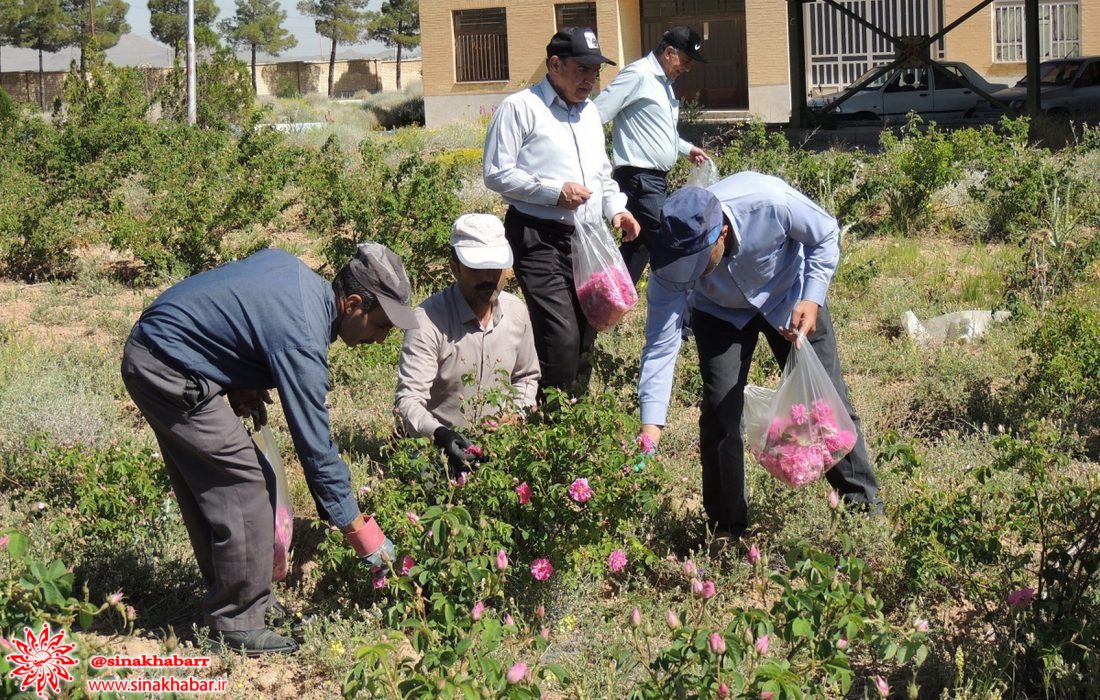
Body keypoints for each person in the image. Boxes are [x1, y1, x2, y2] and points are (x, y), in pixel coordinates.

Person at [121, 244, 418, 655]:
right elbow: (315, 447)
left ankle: (248, 599)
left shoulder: (301, 283)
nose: (380, 339)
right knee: (243, 484)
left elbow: (241, 310)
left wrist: (238, 375)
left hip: (163, 349)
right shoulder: (302, 333)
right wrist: (357, 529)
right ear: (352, 304)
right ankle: (236, 621)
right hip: (166, 366)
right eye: (381, 325)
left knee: (222, 482)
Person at [637, 173, 882, 549]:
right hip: (719, 314)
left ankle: (865, 511)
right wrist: (652, 424)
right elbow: (660, 343)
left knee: (827, 404)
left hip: (790, 298)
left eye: (699, 263)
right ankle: (726, 527)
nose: (689, 274)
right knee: (721, 411)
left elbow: (825, 234)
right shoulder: (673, 263)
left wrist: (812, 298)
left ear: (719, 233)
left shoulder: (767, 200)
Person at [483, 26, 641, 397]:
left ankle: (575, 414)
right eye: (582, 69)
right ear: (555, 64)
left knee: (588, 326)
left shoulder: (588, 114)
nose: (590, 79)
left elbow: (601, 172)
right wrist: (554, 193)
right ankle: (548, 421)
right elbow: (496, 173)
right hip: (539, 238)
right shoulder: (520, 108)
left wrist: (616, 209)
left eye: (595, 71)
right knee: (560, 335)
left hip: (587, 239)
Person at [395, 214, 540, 476]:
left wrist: (516, 415)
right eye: (477, 268)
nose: (488, 277)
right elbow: (408, 400)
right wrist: (440, 434)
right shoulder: (428, 320)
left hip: (499, 445)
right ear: (455, 268)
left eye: (495, 268)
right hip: (438, 449)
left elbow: (526, 376)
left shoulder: (516, 312)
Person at [594, 25, 710, 284]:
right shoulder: (638, 75)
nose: (687, 68)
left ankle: (607, 300)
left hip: (654, 180)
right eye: (686, 61)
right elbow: (595, 115)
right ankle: (683, 312)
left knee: (640, 245)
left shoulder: (665, 84)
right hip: (639, 178)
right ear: (669, 52)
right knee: (669, 240)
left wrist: (686, 149)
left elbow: (659, 130)